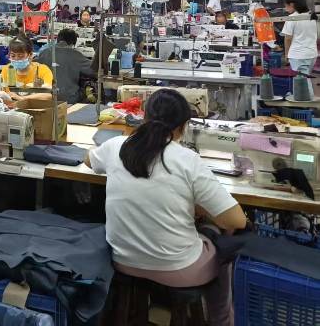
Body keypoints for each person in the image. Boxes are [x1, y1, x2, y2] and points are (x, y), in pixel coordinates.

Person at [86, 89, 246, 326]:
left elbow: (89, 160)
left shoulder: (116, 146)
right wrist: (200, 208)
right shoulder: (187, 160)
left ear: (144, 117)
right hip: (180, 269)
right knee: (225, 245)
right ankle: (222, 321)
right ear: (183, 127)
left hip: (123, 261)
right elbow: (236, 221)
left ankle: (153, 308)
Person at [37, 29, 95, 104]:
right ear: (73, 43)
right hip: (68, 99)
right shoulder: (75, 55)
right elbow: (93, 70)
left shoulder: (44, 53)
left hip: (45, 97)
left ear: (57, 39)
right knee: (88, 91)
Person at [282, 0, 318, 97]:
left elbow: (288, 39)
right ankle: (305, 101)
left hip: (298, 56)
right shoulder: (311, 16)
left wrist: (286, 54)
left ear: (292, 4)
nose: (285, 8)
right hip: (312, 54)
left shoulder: (292, 18)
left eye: (286, 5)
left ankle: (307, 103)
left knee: (302, 82)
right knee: (304, 79)